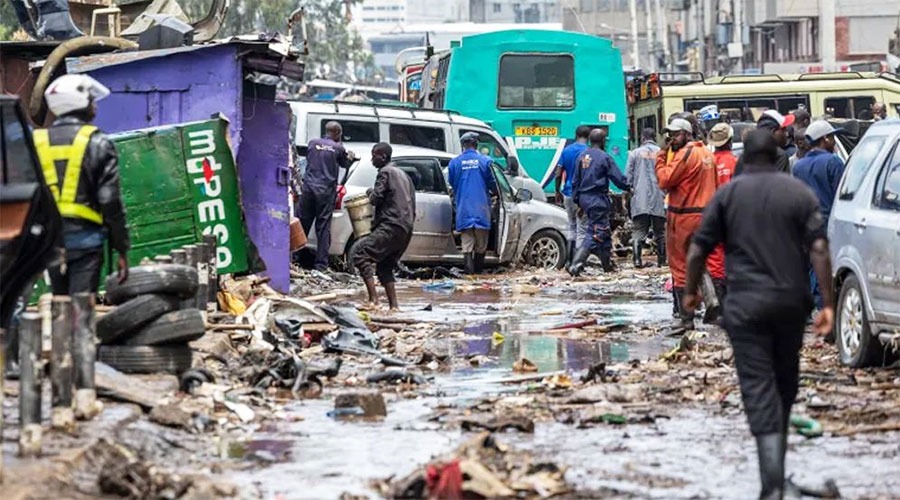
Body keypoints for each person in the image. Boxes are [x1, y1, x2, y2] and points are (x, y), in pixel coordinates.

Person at [683, 129, 834, 499]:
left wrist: (690, 294)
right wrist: (828, 304)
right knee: (785, 383)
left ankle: (772, 485)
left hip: (745, 307)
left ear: (745, 159)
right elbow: (819, 247)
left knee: (757, 386)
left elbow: (697, 250)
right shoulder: (797, 192)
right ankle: (778, 480)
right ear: (776, 154)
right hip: (789, 306)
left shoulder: (728, 195)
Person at [34, 74, 130, 296]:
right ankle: (80, 330)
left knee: (60, 303)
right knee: (81, 307)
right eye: (91, 100)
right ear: (80, 103)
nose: (94, 106)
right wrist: (122, 249)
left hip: (47, 241)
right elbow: (110, 200)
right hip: (86, 241)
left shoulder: (36, 142)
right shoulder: (98, 142)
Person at [656, 117, 718, 329]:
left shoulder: (685, 154)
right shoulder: (707, 154)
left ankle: (686, 318)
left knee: (680, 267)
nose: (671, 138)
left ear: (686, 133)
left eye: (675, 134)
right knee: (697, 261)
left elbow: (664, 179)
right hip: (705, 214)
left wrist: (662, 155)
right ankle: (712, 301)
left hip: (684, 216)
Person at [353, 143, 415, 311]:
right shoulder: (404, 175)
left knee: (359, 254)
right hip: (406, 229)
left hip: (390, 224)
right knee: (385, 267)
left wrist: (369, 192)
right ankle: (394, 306)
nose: (372, 159)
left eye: (374, 155)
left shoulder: (385, 172)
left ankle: (374, 301)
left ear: (383, 156)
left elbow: (375, 198)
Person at [792, 120, 846, 311]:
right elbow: (841, 195)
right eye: (832, 137)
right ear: (825, 139)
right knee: (823, 266)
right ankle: (824, 308)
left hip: (803, 223)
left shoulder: (798, 166)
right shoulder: (833, 162)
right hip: (827, 221)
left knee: (807, 267)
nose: (833, 141)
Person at [569, 129, 630, 276]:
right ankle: (576, 265)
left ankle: (607, 266)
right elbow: (618, 178)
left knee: (604, 232)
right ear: (603, 141)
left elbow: (575, 181)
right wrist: (629, 186)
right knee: (595, 232)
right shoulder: (604, 157)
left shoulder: (581, 156)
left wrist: (578, 202)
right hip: (597, 199)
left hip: (584, 198)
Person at [298, 121, 353, 271]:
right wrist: (349, 156)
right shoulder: (338, 148)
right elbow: (345, 164)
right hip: (325, 193)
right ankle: (321, 265)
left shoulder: (312, 143)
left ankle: (295, 260)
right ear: (337, 133)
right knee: (322, 228)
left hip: (308, 190)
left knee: (302, 225)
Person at [448, 132, 497, 274]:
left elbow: (451, 182)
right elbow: (493, 184)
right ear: (476, 145)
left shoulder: (454, 163)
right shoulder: (485, 161)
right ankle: (478, 274)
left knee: (467, 245)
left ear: (463, 146)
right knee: (481, 245)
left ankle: (470, 276)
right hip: (481, 209)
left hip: (464, 209)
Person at [625, 127, 665, 268]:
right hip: (659, 197)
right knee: (660, 231)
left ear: (642, 138)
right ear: (655, 137)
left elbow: (628, 177)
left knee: (639, 230)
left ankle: (637, 260)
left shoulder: (634, 154)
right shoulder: (662, 153)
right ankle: (661, 261)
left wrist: (629, 192)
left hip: (639, 198)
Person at [555, 126, 591, 267]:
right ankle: (578, 263)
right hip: (583, 195)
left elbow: (558, 173)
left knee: (571, 227)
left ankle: (569, 261)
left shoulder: (566, 151)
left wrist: (558, 191)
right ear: (588, 136)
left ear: (575, 135)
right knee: (582, 228)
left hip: (568, 194)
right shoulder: (588, 152)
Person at [735, 110, 794, 175]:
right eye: (783, 130)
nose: (786, 134)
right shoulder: (780, 156)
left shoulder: (744, 155)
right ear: (773, 131)